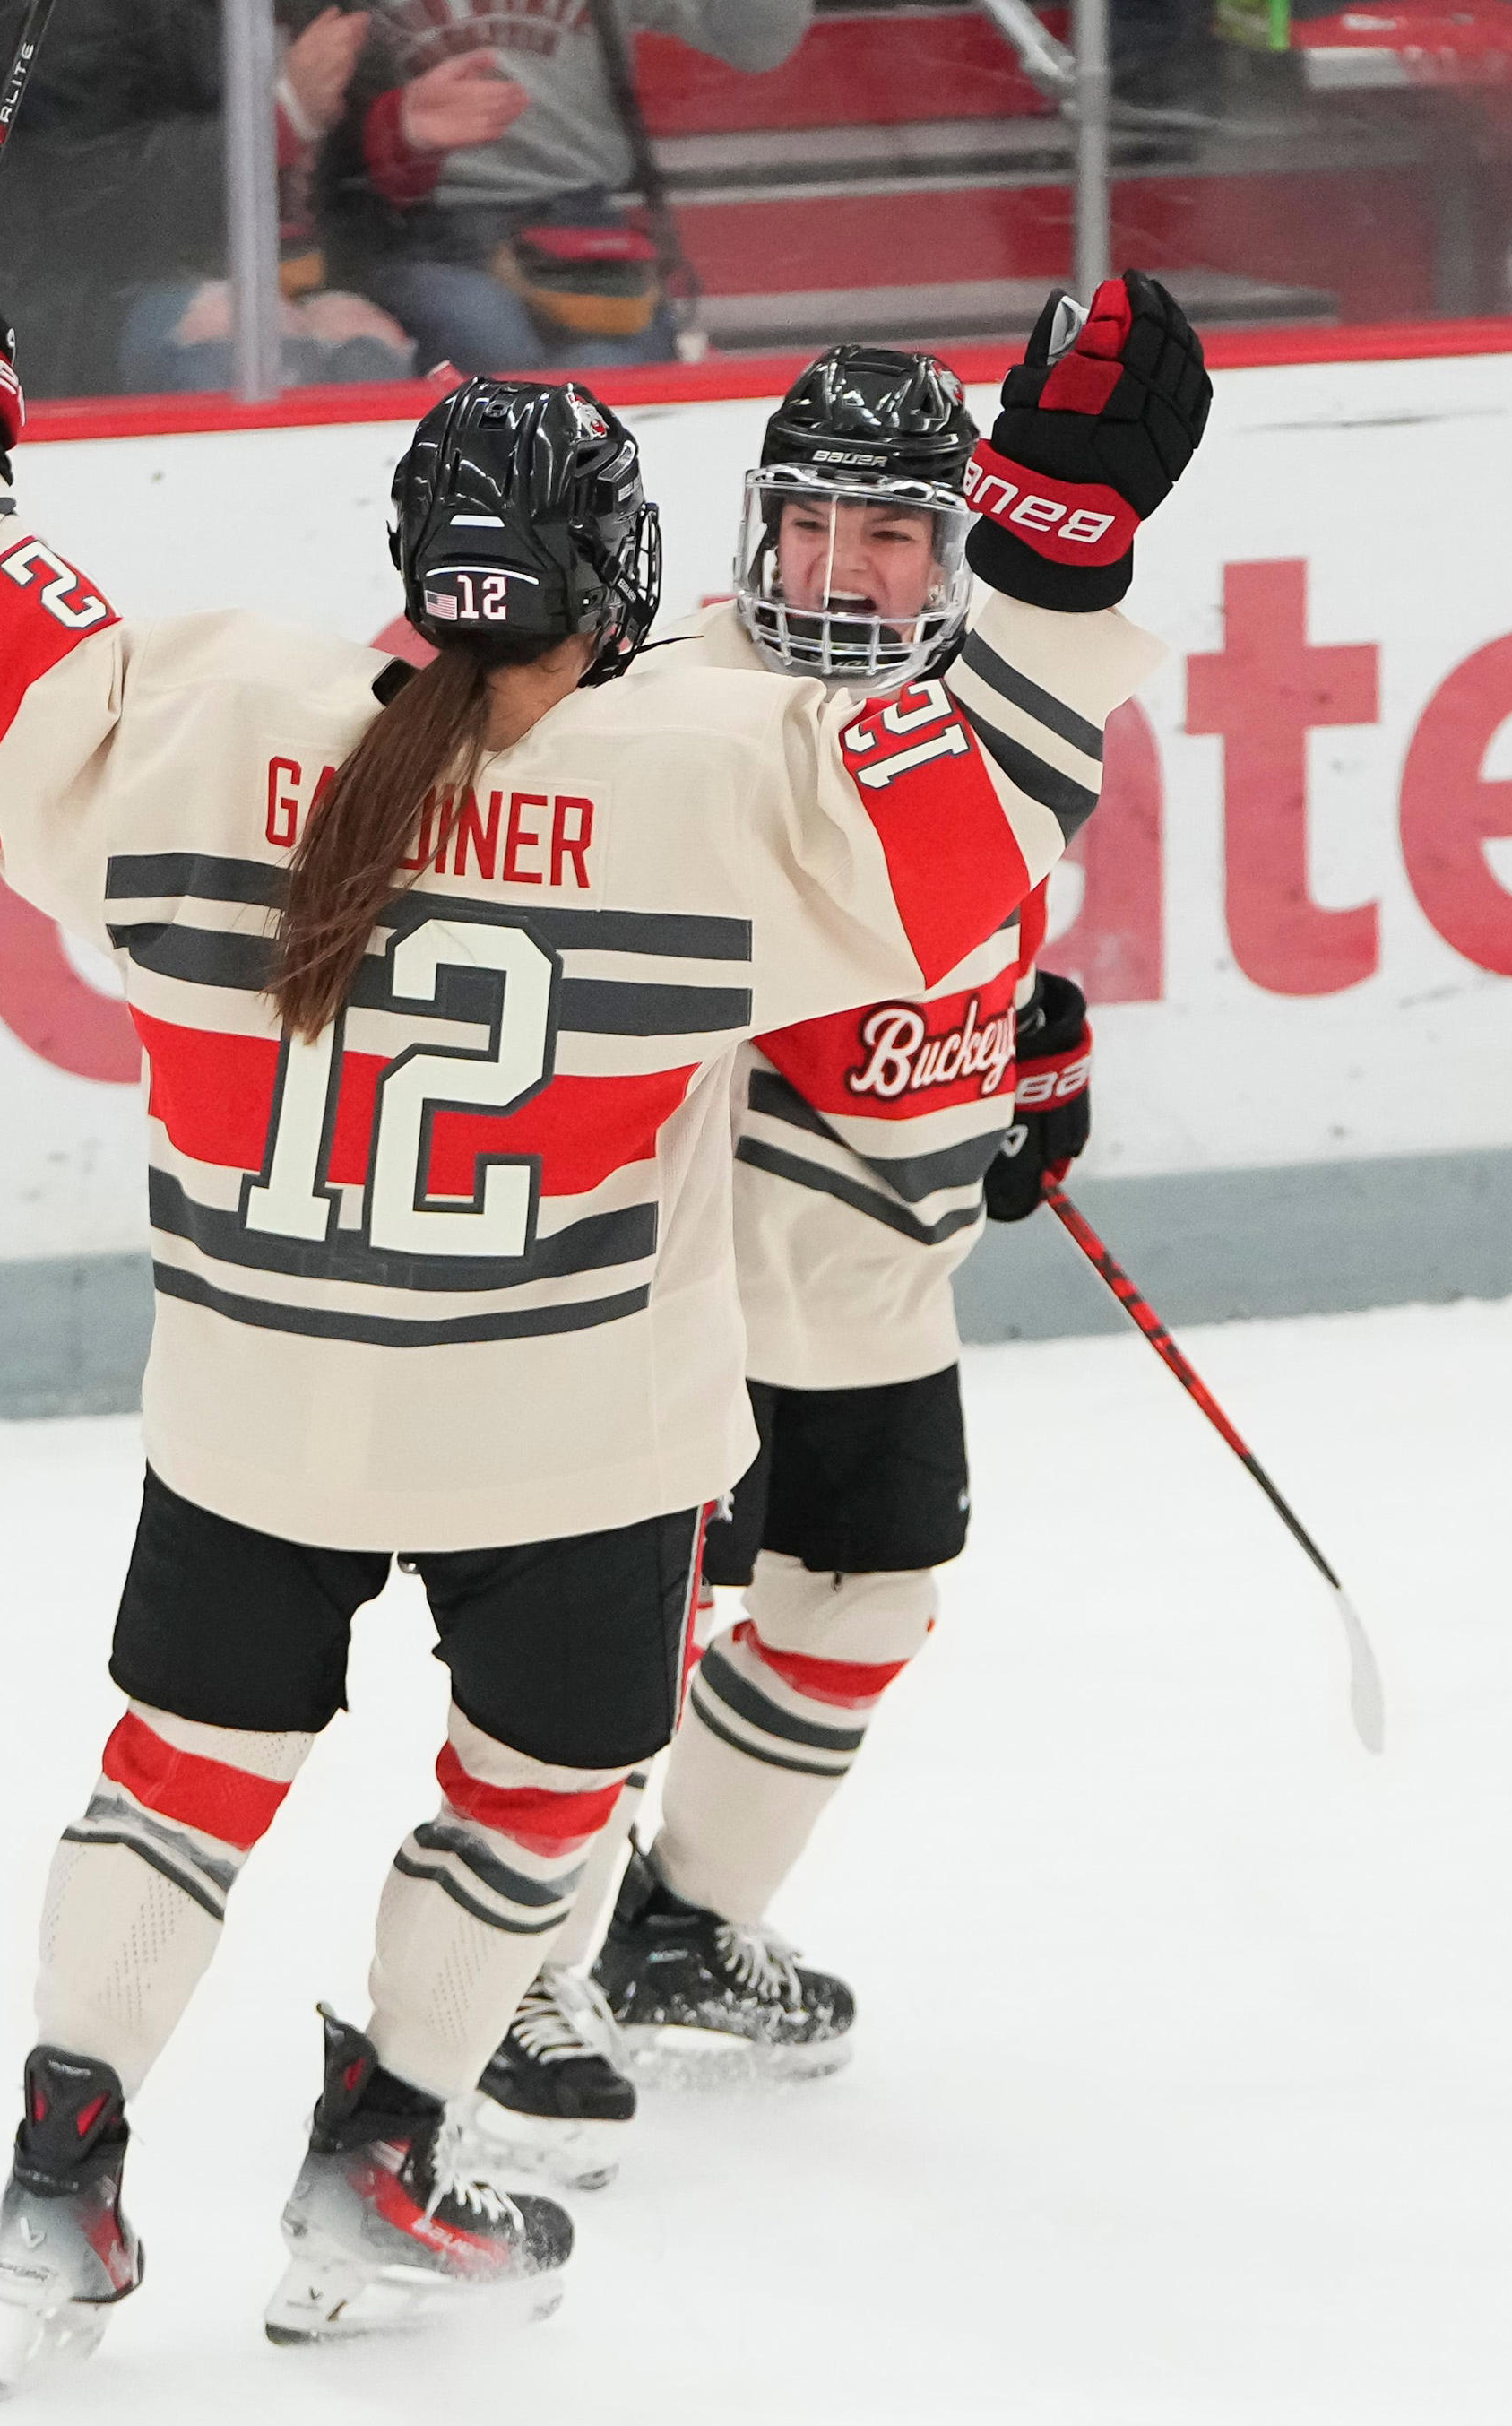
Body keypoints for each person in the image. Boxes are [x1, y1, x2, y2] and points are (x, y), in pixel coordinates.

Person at [0, 248, 1202, 2373]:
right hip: (562, 1429)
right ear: (629, 570)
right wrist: (1062, 526)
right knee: (531, 1795)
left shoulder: (209, 719)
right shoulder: (706, 775)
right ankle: (381, 2151)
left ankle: (53, 2174)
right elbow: (982, 829)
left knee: (178, 1771)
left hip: (250, 1409)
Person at [458, 344, 1108, 2186]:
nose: (841, 567)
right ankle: (505, 1979)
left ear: (951, 548)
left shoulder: (994, 700)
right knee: (620, 1654)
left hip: (872, 1282)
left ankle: (678, 1927)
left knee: (870, 1593)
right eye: (809, 523)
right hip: (698, 1286)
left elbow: (956, 921)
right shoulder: (679, 707)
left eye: (888, 532)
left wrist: (1014, 1042)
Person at [323, 0, 812, 373]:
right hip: (414, 228)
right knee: (488, 342)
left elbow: (756, 43)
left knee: (612, 375)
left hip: (578, 227)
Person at [0, 0, 411, 402]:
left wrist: (401, 131)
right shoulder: (74, 17)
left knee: (377, 343)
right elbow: (84, 199)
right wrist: (281, 119)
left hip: (302, 274)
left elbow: (347, 181)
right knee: (244, 342)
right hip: (88, 291)